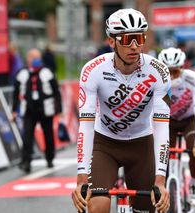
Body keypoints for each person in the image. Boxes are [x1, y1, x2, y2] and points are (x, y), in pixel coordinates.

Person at [71, 8, 170, 213]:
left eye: (139, 38)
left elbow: (162, 128)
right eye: (127, 39)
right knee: (97, 206)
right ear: (111, 42)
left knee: (148, 207)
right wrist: (81, 176)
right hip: (105, 144)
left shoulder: (159, 71)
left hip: (142, 145)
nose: (134, 46)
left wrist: (160, 179)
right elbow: (86, 126)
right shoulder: (93, 70)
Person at [158, 47, 195, 206]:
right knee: (161, 155)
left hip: (189, 119)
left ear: (182, 68)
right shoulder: (154, 81)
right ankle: (162, 189)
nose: (171, 76)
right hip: (168, 121)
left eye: (175, 72)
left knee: (194, 149)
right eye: (168, 71)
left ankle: (193, 183)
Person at [12, 48, 62, 173]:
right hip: (28, 109)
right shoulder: (21, 73)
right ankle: (26, 162)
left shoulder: (47, 72)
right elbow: (15, 93)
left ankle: (50, 158)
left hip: (45, 108)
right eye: (33, 58)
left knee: (48, 135)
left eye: (37, 58)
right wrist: (14, 110)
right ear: (28, 59)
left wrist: (59, 109)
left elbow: (56, 92)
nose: (35, 60)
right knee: (27, 136)